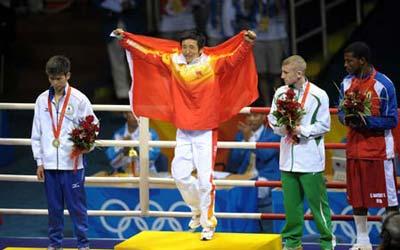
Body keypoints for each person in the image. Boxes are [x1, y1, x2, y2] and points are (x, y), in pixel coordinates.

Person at [112, 28, 258, 240]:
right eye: (185, 47)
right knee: (179, 175)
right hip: (184, 130)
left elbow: (234, 59)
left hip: (205, 131)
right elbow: (148, 55)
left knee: (206, 180)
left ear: (200, 49)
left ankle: (208, 224)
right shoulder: (173, 61)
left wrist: (246, 43)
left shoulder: (212, 63)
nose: (187, 51)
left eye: (191, 47)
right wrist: (125, 40)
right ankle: (197, 208)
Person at [31, 55, 98, 250]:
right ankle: (54, 245)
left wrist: (86, 145)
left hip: (73, 165)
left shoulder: (78, 98)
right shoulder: (41, 100)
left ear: (68, 75)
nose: (55, 82)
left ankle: (83, 245)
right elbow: (37, 133)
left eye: (59, 78)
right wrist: (39, 162)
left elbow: (92, 126)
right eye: (51, 78)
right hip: (50, 165)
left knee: (77, 208)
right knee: (54, 209)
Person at [268, 55, 335, 250]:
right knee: (291, 205)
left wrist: (301, 130)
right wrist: (284, 127)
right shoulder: (280, 93)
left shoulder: (318, 94)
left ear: (299, 74)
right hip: (287, 157)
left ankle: (327, 242)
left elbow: (325, 125)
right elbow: (272, 119)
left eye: (285, 72)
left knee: (318, 204)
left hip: (310, 158)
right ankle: (292, 242)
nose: (281, 76)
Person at [338, 41, 399, 250]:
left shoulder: (384, 84)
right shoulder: (346, 83)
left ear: (362, 60)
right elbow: (340, 113)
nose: (345, 65)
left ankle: (393, 241)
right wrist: (347, 119)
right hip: (355, 150)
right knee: (358, 198)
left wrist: (366, 122)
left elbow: (392, 120)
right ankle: (362, 241)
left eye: (349, 61)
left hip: (379, 152)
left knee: (389, 199)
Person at [226, 101, 280, 233]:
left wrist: (250, 139)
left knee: (259, 187)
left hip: (266, 177)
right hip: (244, 176)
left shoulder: (273, 135)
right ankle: (236, 229)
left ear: (263, 117)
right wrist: (244, 141)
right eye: (249, 116)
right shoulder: (240, 135)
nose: (251, 119)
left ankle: (262, 229)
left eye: (255, 115)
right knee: (227, 188)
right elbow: (232, 163)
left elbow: (265, 155)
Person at [105, 111, 166, 176]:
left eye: (138, 112)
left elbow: (153, 157)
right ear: (125, 114)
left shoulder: (150, 133)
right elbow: (111, 159)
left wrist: (135, 147)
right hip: (123, 174)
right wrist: (123, 148)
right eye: (132, 112)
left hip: (147, 175)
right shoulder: (118, 134)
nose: (136, 116)